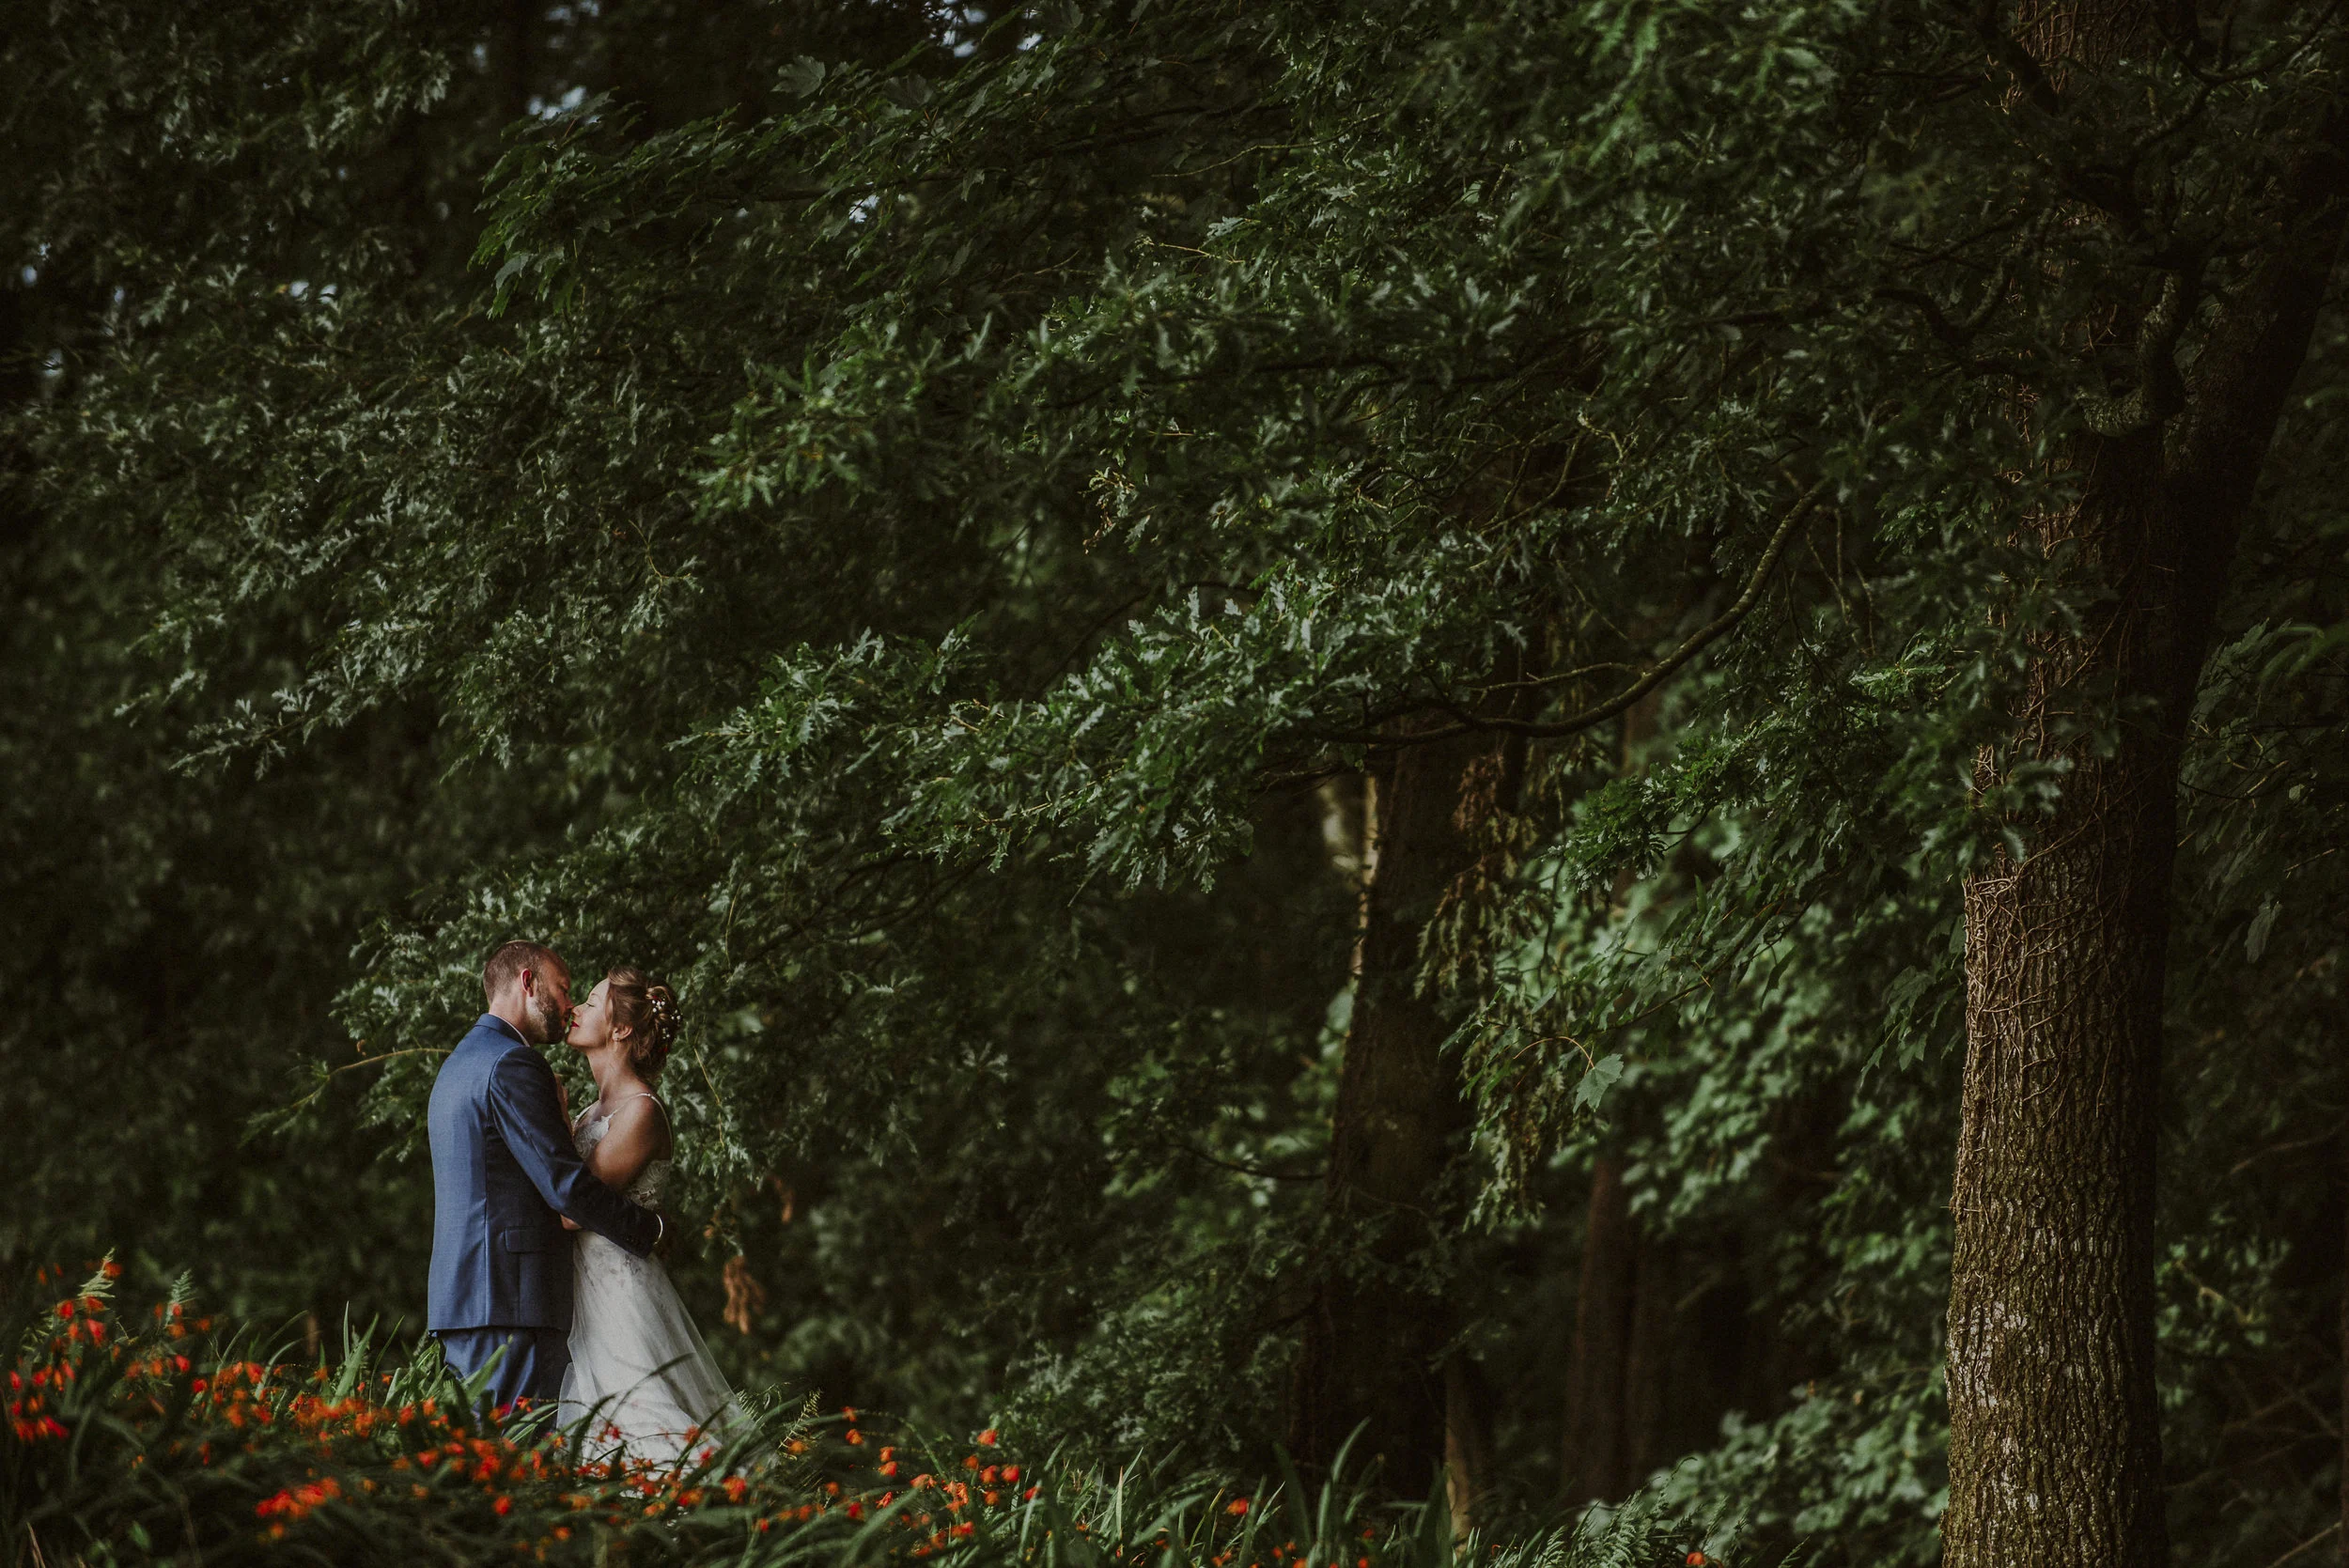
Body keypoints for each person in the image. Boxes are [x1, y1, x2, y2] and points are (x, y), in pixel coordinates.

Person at [427, 941, 668, 1417]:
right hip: (513, 1299)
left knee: (488, 1464)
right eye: (562, 989)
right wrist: (650, 1229)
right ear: (527, 982)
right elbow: (564, 1188)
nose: (568, 1006)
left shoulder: (461, 1062)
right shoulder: (513, 1064)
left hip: (468, 1299)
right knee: (516, 1463)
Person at [554, 967, 744, 1464]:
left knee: (644, 1421)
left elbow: (575, 1210)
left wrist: (555, 1117)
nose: (574, 1010)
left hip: (618, 1291)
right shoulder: (591, 1113)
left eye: (591, 1004)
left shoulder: (640, 1112)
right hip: (582, 1286)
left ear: (620, 1030)